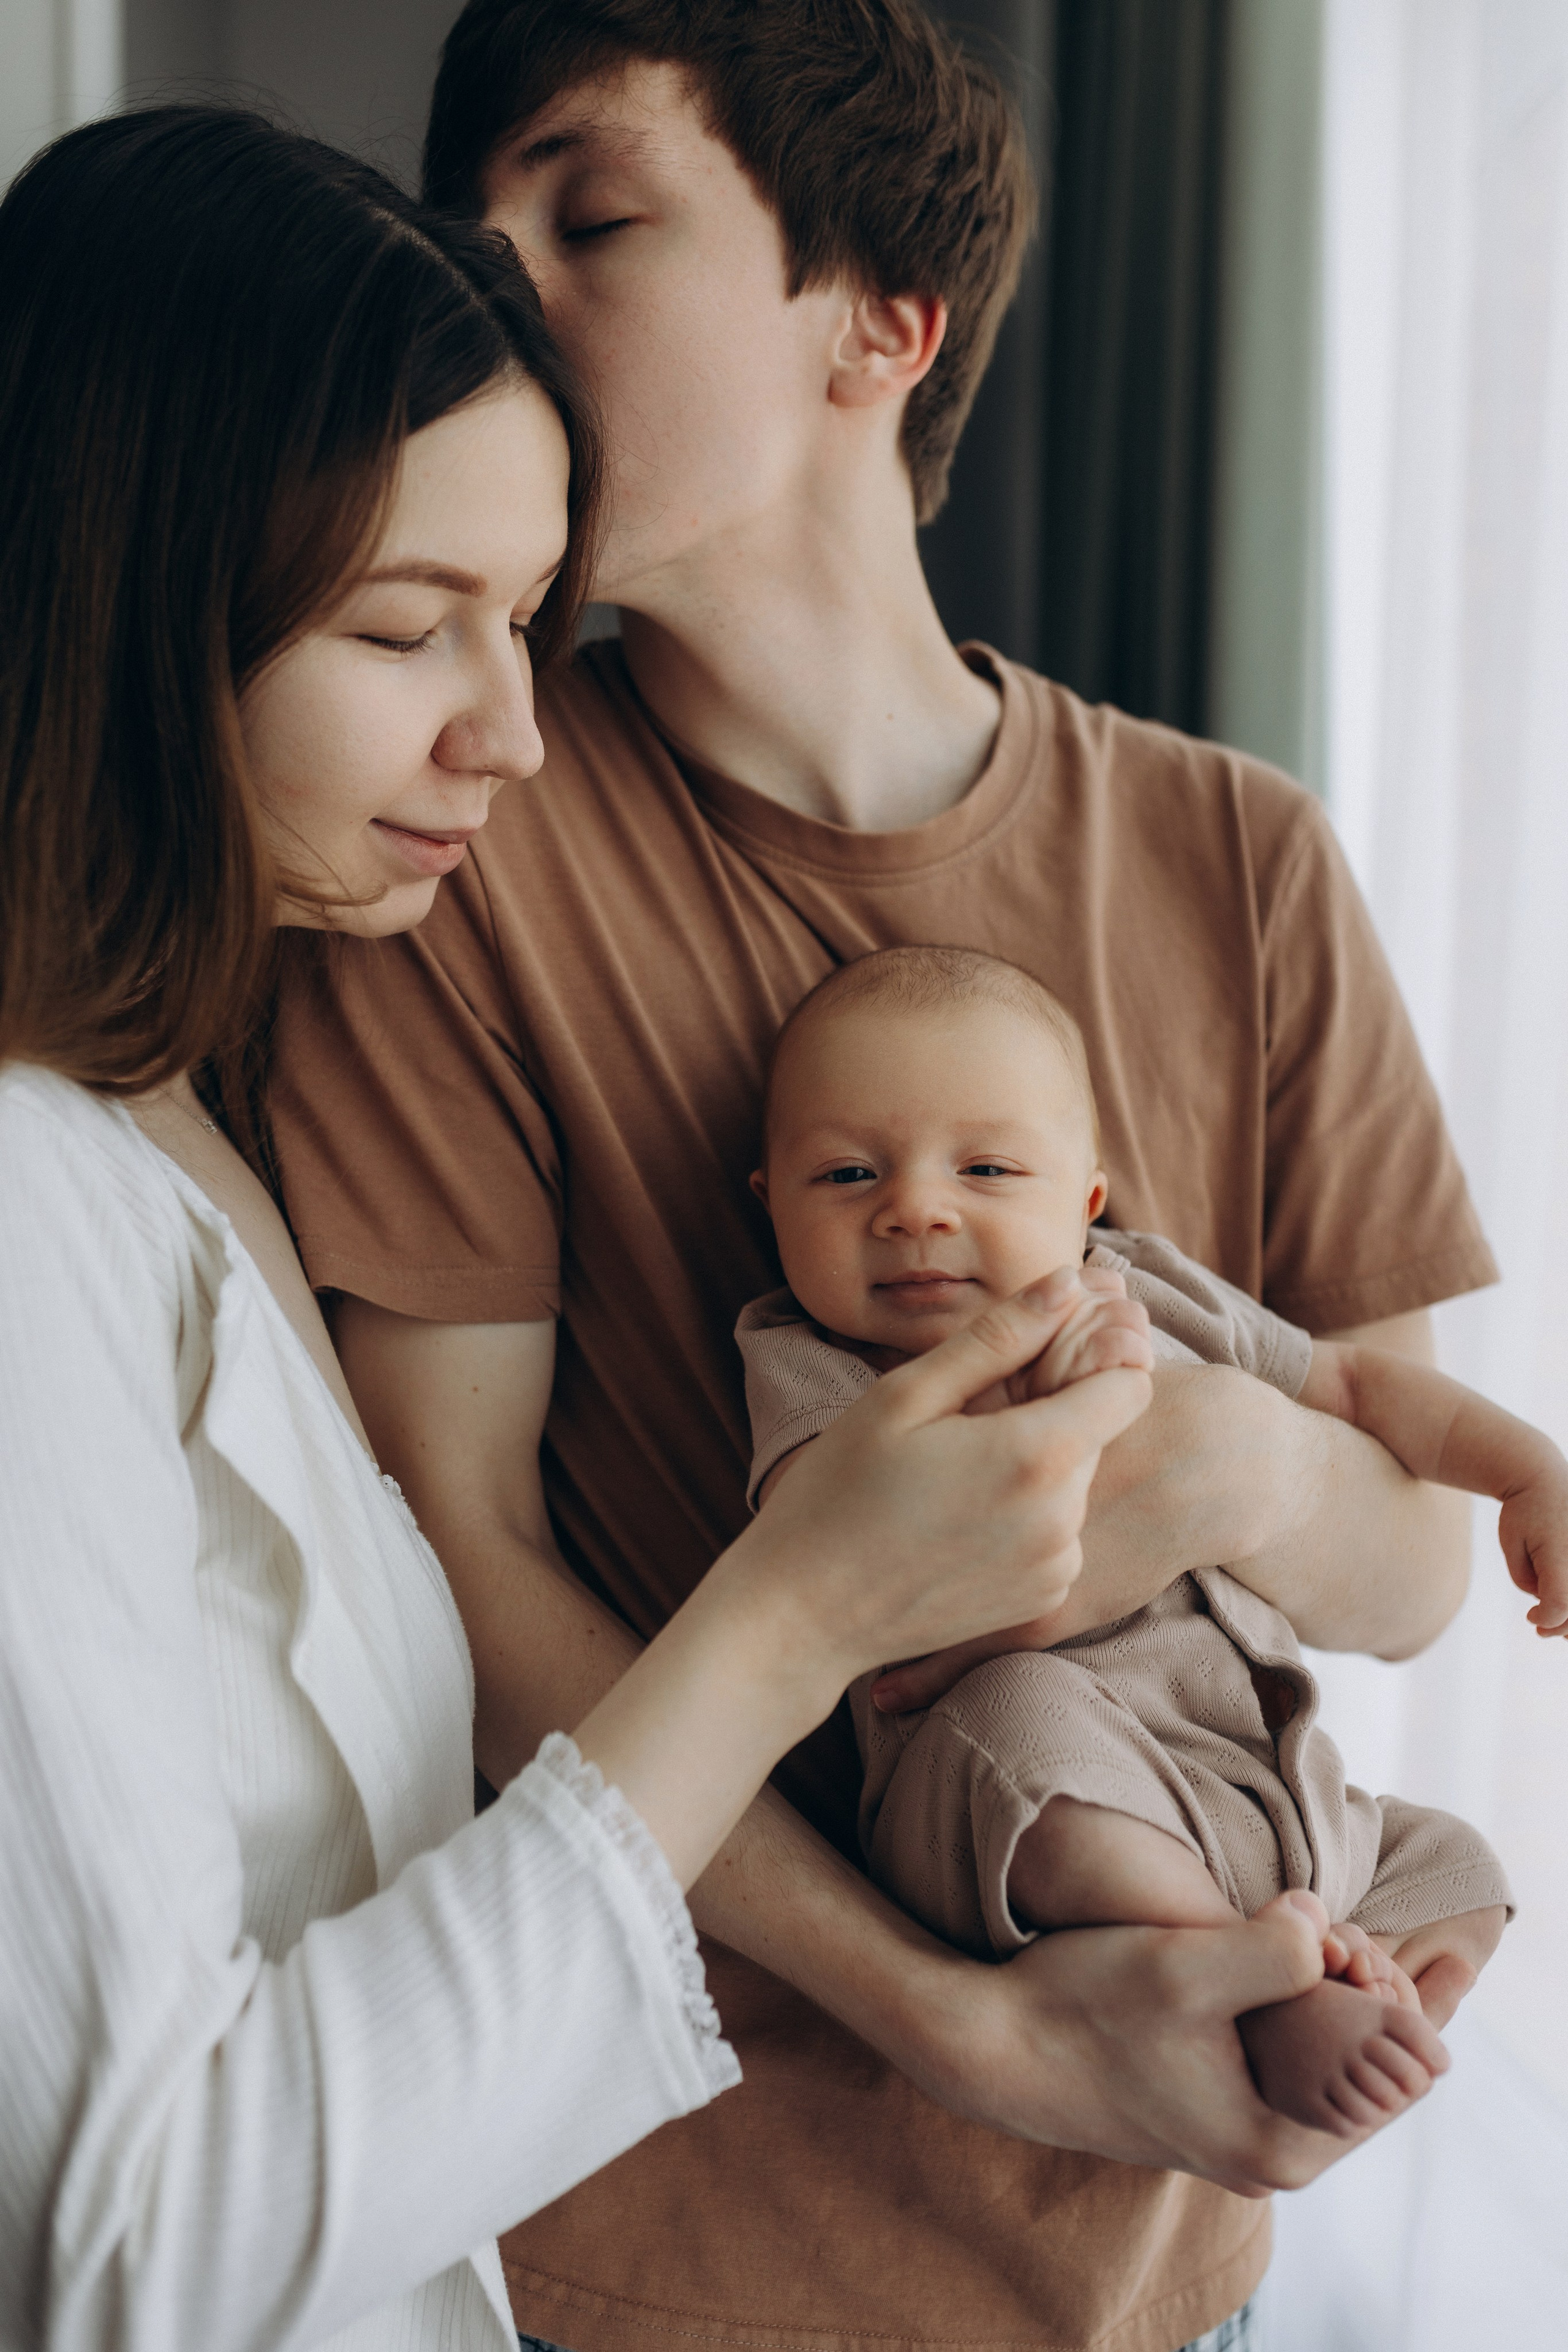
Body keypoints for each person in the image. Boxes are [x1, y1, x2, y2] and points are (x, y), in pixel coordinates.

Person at [267, 4, 1501, 2348]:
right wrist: (972, 2026)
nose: (488, 280)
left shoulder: (1242, 861)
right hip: (653, 2271)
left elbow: (1416, 1571)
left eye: (592, 211)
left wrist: (1228, 1457)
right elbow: (465, 1583)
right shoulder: (450, 846)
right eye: (474, 224)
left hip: (1170, 2274)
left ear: (884, 321)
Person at [0, 106, 1156, 2352]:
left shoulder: (160, 1113)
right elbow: (124, 2254)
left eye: (531, 620)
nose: (515, 733)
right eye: (410, 627)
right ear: (115, 603)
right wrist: (798, 1612)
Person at [740, 944, 1556, 2135]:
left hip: (1240, 1771)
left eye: (986, 1168)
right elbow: (851, 1576)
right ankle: (1244, 1973)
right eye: (848, 1173)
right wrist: (1070, 1413)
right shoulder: (811, 1367)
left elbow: (1357, 1387)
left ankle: (1352, 1974)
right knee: (1023, 1731)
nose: (914, 1208)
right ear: (767, 1202)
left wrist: (1524, 1470)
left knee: (1457, 1868)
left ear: (1083, 1201)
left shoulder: (1147, 1289)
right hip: (1004, 1783)